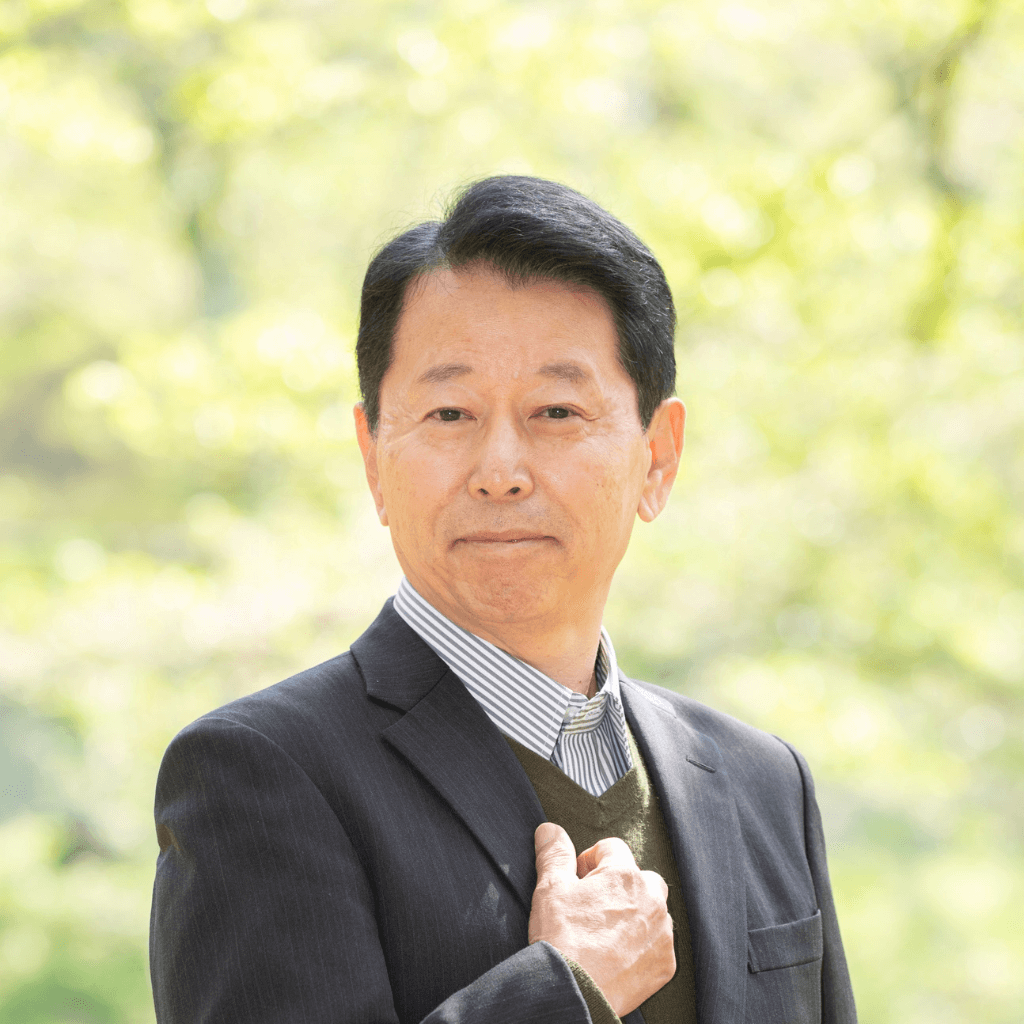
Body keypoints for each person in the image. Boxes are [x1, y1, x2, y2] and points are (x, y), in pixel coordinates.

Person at [150, 175, 857, 1024]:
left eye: (556, 411)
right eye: (450, 414)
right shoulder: (261, 775)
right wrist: (567, 992)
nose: (500, 471)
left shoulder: (761, 784)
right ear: (373, 457)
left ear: (658, 457)